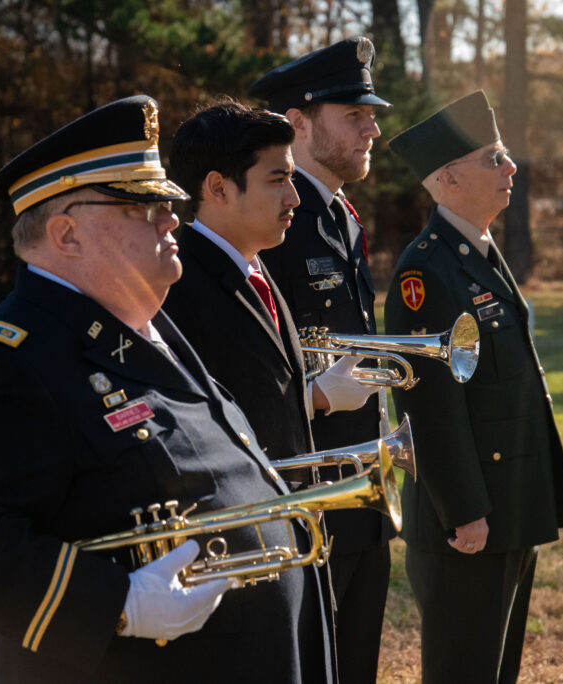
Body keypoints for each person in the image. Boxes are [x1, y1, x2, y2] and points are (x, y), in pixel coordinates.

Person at [0, 96, 332, 684]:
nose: (170, 217)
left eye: (165, 201)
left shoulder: (146, 320)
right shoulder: (9, 360)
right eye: (142, 206)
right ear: (66, 234)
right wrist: (117, 603)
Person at [385, 91, 563, 683]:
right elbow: (429, 404)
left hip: (507, 503)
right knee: (463, 669)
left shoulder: (478, 249)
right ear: (448, 178)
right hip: (468, 519)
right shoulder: (426, 270)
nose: (511, 168)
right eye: (493, 158)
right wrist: (466, 510)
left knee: (495, 670)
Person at [248, 37, 394, 684]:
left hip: (359, 483)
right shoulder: (273, 222)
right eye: (354, 115)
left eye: (372, 113)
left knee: (355, 660)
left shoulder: (339, 215)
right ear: (298, 123)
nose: (374, 127)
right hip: (302, 491)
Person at [162, 100, 377, 473]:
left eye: (292, 178)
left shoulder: (257, 268)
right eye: (277, 180)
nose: (294, 197)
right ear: (218, 188)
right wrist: (313, 398)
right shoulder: (176, 288)